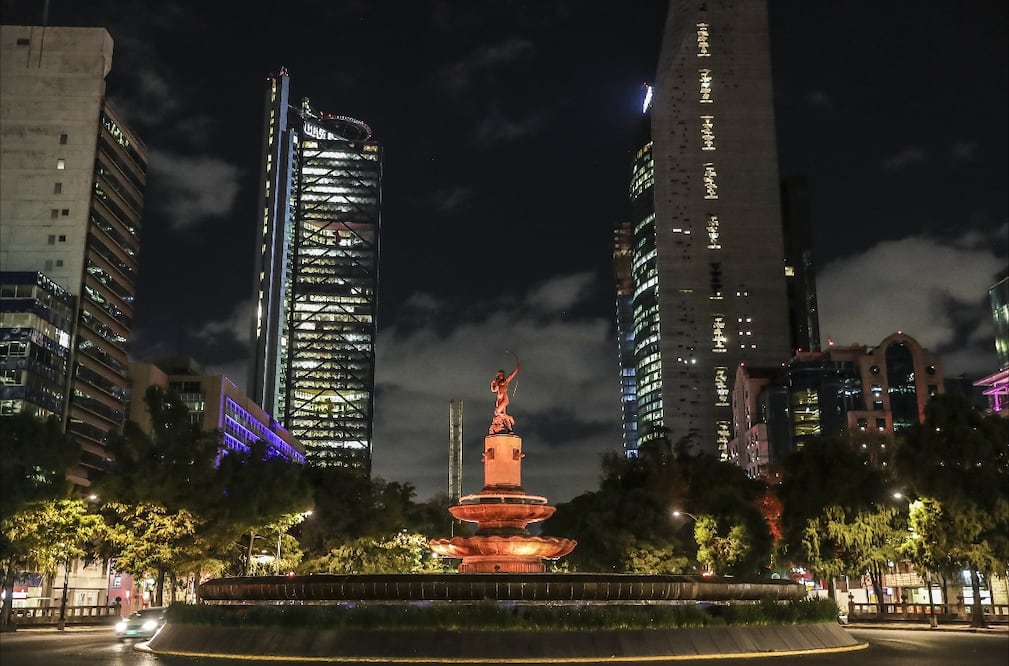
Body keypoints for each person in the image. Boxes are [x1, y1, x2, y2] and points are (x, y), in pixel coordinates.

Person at [489, 361, 519, 434]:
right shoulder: (497, 383)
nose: (501, 376)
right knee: (503, 415)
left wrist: (516, 369)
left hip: (504, 399)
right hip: (499, 399)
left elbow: (511, 376)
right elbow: (493, 390)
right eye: (499, 375)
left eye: (502, 375)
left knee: (497, 412)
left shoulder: (505, 381)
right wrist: (493, 383)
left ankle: (510, 417)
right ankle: (509, 429)